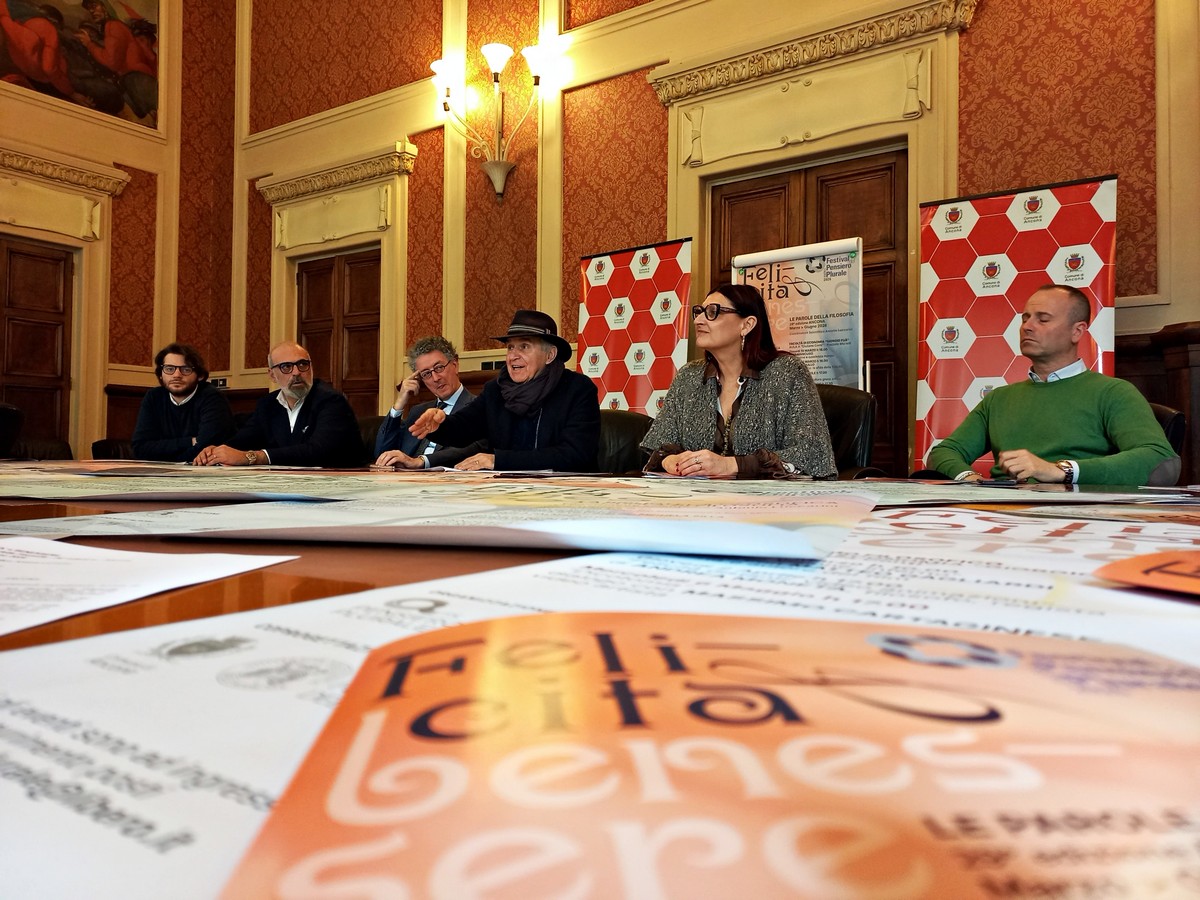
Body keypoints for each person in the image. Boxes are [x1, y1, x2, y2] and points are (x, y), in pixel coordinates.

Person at [926, 284, 1179, 486]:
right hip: (1002, 512)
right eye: (1025, 318)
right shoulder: (998, 399)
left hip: (1079, 517)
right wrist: (969, 479)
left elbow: (1161, 460)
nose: (1027, 327)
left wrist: (1062, 471)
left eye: (1043, 319)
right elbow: (944, 452)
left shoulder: (1113, 393)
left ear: (1077, 331)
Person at [641, 283, 837, 479]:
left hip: (766, 497)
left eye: (712, 312)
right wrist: (671, 461)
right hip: (695, 495)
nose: (698, 320)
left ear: (747, 325)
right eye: (699, 312)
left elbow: (812, 454)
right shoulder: (688, 376)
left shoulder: (788, 372)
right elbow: (659, 445)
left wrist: (730, 465)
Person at [408, 310, 600, 471]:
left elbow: (575, 454)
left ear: (550, 355)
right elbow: (464, 428)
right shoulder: (496, 389)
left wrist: (499, 460)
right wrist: (439, 425)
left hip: (565, 491)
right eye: (510, 348)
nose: (513, 356)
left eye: (524, 346)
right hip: (505, 491)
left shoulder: (577, 389)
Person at [194, 340, 365, 468]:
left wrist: (254, 457)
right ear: (272, 375)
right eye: (286, 367)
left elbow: (318, 451)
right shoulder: (268, 404)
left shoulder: (331, 401)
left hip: (339, 485)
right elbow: (244, 440)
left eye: (302, 365)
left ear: (311, 368)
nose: (296, 372)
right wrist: (215, 451)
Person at [373, 336, 485, 469]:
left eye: (439, 368)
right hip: (407, 478)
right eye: (426, 374)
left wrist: (420, 461)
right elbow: (382, 454)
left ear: (455, 365)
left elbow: (467, 450)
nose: (435, 378)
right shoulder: (417, 411)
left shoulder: (478, 407)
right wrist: (399, 404)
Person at [131, 343, 235, 462]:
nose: (176, 375)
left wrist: (163, 452)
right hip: (165, 470)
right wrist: (190, 441)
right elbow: (139, 448)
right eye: (169, 369)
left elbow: (204, 450)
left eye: (186, 369)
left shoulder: (212, 397)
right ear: (160, 374)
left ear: (199, 376)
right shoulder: (154, 397)